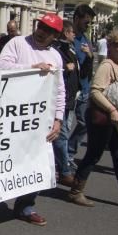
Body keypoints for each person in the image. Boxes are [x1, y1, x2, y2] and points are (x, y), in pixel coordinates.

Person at [67, 29, 118, 207]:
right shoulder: (107, 65)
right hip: (102, 117)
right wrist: (112, 109)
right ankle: (76, 191)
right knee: (93, 154)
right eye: (117, 44)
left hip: (114, 118)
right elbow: (95, 91)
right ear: (110, 46)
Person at [0, 13, 66, 226]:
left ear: (55, 35)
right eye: (41, 26)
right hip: (11, 115)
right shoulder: (17, 43)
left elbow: (60, 90)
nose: (42, 31)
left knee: (36, 162)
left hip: (39, 119)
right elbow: (1, 68)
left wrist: (58, 120)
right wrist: (32, 69)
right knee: (1, 158)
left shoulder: (55, 56)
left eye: (48, 29)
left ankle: (26, 206)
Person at [52, 20, 80, 184]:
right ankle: (64, 170)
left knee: (64, 132)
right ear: (65, 32)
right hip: (60, 99)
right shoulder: (57, 49)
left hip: (69, 98)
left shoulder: (70, 48)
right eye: (71, 32)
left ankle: (62, 165)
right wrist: (64, 69)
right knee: (61, 135)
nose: (74, 35)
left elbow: (79, 68)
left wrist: (89, 57)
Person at [66, 5, 95, 161]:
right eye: (86, 22)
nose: (88, 26)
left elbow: (88, 63)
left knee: (84, 123)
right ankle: (63, 159)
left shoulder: (86, 39)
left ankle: (70, 152)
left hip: (84, 88)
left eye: (90, 23)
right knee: (65, 126)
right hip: (70, 89)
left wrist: (89, 56)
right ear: (76, 19)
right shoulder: (68, 38)